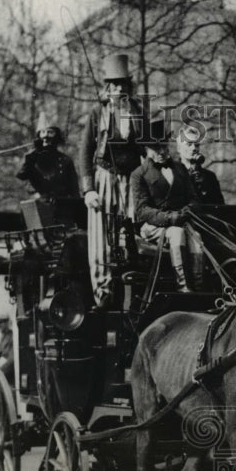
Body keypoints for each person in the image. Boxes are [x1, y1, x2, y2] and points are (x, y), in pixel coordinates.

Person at [78, 53, 146, 306]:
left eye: (123, 84)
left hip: (132, 179)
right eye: (114, 84)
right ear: (107, 87)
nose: (118, 89)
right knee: (101, 237)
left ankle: (133, 286)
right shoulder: (98, 113)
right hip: (105, 178)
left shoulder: (138, 111)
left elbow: (147, 146)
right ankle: (103, 291)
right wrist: (88, 190)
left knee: (132, 231)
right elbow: (85, 151)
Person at [132, 120, 200, 292]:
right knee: (176, 234)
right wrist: (169, 218)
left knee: (197, 239)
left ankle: (199, 287)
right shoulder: (139, 175)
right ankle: (183, 288)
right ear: (147, 149)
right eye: (156, 149)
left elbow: (193, 198)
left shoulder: (179, 169)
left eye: (164, 146)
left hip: (182, 220)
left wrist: (186, 211)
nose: (162, 152)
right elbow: (142, 210)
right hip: (154, 226)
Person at [16, 112, 84, 228]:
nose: (46, 136)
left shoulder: (65, 160)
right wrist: (31, 157)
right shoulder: (32, 158)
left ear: (56, 136)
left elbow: (74, 191)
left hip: (62, 210)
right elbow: (21, 176)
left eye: (50, 132)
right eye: (43, 132)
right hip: (37, 208)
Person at [177, 125, 225, 206]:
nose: (194, 148)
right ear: (179, 148)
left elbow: (220, 207)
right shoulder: (172, 174)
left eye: (197, 145)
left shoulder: (210, 177)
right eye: (189, 144)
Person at [0, 314, 14, 381]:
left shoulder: (12, 337)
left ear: (7, 323)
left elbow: (11, 360)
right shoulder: (1, 338)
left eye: (1, 323)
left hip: (7, 375)